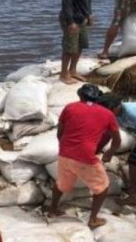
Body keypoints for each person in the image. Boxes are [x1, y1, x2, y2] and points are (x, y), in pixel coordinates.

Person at [46, 84, 121, 229]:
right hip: (86, 156)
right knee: (102, 187)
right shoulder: (107, 114)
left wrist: (65, 147)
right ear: (97, 97)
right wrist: (109, 153)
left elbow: (59, 133)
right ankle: (93, 219)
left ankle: (52, 210)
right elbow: (117, 140)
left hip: (64, 153)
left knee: (62, 183)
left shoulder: (70, 107)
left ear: (80, 96)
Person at [59, 0, 104, 84]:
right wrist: (70, 21)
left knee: (81, 45)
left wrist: (89, 14)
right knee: (69, 48)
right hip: (71, 18)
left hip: (82, 17)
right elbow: (66, 0)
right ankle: (63, 74)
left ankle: (73, 70)